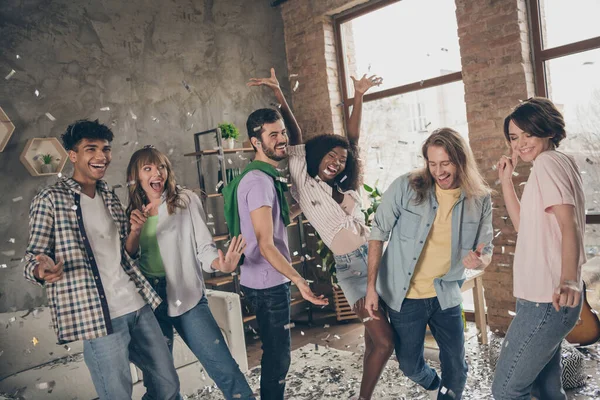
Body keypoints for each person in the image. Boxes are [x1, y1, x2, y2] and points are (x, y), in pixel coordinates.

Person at [247, 68, 394, 400]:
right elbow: (295, 130)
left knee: (375, 337)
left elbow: (351, 141)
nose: (337, 162)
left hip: (377, 256)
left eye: (341, 160)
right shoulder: (301, 173)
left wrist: (358, 97)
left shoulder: (342, 186)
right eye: (331, 155)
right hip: (350, 269)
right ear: (316, 155)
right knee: (384, 340)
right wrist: (279, 93)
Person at [23, 120, 181, 399]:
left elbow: (127, 253)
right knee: (117, 395)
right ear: (73, 155)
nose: (101, 156)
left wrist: (134, 232)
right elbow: (32, 256)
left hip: (137, 304)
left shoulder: (109, 193)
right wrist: (40, 270)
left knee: (167, 385)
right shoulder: (50, 199)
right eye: (91, 149)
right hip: (98, 318)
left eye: (106, 149)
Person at [365, 128, 494, 400]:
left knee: (456, 367)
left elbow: (487, 252)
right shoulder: (407, 186)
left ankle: (448, 393)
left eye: (446, 163)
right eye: (432, 164)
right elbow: (377, 234)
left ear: (461, 161)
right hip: (405, 296)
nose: (439, 171)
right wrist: (370, 288)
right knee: (410, 365)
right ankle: (435, 385)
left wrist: (479, 259)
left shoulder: (480, 199)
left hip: (445, 292)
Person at [124, 146, 255, 400]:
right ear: (137, 177)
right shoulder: (132, 211)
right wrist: (134, 232)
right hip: (148, 301)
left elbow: (204, 248)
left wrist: (222, 265)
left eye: (161, 167)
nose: (157, 173)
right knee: (160, 384)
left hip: (187, 296)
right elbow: (128, 258)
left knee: (223, 366)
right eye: (148, 169)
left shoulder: (184, 200)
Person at [222, 98, 329, 400]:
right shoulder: (259, 182)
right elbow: (266, 244)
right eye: (273, 135)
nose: (282, 139)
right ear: (255, 142)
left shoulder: (265, 178)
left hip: (265, 280)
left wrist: (307, 202)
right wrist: (299, 280)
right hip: (268, 283)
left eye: (282, 133)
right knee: (278, 357)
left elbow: (274, 220)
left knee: (276, 354)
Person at [491, 97, 585, 400]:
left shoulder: (546, 164)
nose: (519, 144)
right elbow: (524, 226)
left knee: (506, 390)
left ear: (546, 130)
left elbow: (568, 224)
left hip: (546, 299)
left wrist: (568, 278)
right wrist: (507, 180)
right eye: (514, 137)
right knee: (546, 388)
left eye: (527, 134)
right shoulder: (558, 162)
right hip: (547, 299)